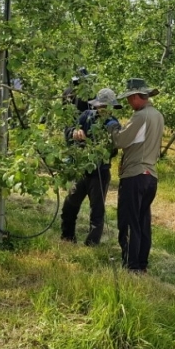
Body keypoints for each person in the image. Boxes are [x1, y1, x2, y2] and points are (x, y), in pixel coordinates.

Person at [106, 78, 165, 273]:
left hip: (135, 174)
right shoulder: (157, 115)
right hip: (151, 176)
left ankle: (130, 265)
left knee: (129, 221)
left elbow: (121, 141)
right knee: (142, 221)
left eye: (130, 98)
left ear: (135, 96)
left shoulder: (140, 117)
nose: (129, 103)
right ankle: (141, 263)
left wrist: (113, 127)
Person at [60, 88, 122, 245]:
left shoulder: (113, 125)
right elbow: (68, 131)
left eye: (107, 107)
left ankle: (92, 243)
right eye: (101, 106)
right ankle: (67, 236)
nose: (103, 110)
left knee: (97, 211)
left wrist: (102, 147)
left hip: (99, 173)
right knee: (70, 205)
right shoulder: (86, 116)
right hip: (81, 170)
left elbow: (113, 151)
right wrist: (74, 132)